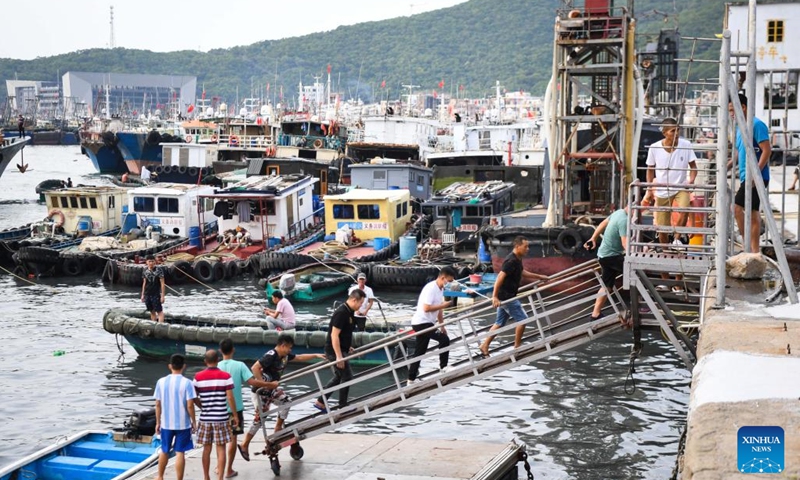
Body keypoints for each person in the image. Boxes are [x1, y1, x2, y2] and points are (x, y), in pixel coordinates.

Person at [237, 334, 325, 462]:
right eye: (289, 348)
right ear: (283, 345)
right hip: (261, 392)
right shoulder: (271, 355)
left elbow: (299, 357)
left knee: (286, 401)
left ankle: (278, 427)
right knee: (259, 419)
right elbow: (255, 368)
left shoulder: (284, 356)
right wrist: (264, 384)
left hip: (271, 390)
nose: (290, 350)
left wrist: (316, 355)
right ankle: (244, 444)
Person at [479, 237, 547, 357]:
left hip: (506, 296)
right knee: (523, 320)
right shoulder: (511, 261)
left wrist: (539, 276)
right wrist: (494, 297)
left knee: (499, 322)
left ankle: (485, 345)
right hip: (506, 297)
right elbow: (500, 277)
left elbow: (521, 272)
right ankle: (517, 347)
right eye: (525, 246)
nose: (528, 249)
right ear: (517, 246)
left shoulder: (517, 259)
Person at [217, 339, 273, 478]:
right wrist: (270, 384)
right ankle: (228, 469)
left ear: (220, 351)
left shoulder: (216, 366)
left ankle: (219, 467)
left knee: (220, 442)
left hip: (218, 409)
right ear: (233, 350)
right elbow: (252, 382)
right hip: (236, 409)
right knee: (233, 439)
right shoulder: (240, 365)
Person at [642, 117, 698, 246]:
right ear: (664, 133)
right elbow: (650, 169)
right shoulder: (654, 147)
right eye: (673, 131)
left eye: (678, 130)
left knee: (684, 209)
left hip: (680, 186)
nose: (677, 133)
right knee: (662, 228)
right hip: (662, 190)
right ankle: (665, 249)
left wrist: (691, 180)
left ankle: (677, 239)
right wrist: (650, 187)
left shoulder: (686, 145)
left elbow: (693, 167)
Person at [727, 93, 771, 253]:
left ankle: (749, 246)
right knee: (752, 212)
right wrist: (729, 165)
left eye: (733, 110)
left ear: (743, 107)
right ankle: (753, 249)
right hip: (747, 175)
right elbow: (741, 152)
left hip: (756, 176)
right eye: (730, 111)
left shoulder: (756, 125)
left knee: (737, 208)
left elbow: (767, 150)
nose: (731, 114)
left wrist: (756, 174)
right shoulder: (740, 127)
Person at [312, 289, 366, 412]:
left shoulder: (349, 312)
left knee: (339, 376)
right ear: (354, 300)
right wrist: (338, 356)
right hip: (334, 350)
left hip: (341, 349)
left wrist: (347, 346)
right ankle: (342, 406)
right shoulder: (341, 312)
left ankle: (321, 402)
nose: (361, 306)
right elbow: (334, 335)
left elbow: (344, 333)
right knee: (346, 377)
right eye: (360, 303)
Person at [406, 266, 457, 385]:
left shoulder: (440, 290)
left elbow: (439, 310)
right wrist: (443, 305)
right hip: (421, 322)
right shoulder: (431, 288)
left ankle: (411, 379)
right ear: (443, 277)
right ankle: (443, 366)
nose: (449, 284)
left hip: (428, 322)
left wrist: (442, 325)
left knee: (420, 351)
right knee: (444, 340)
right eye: (449, 281)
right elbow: (426, 308)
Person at [193, 350, 238, 480]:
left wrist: (202, 406)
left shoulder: (198, 377)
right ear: (218, 360)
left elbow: (193, 397)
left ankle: (206, 477)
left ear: (205, 361)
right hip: (221, 418)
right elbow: (230, 397)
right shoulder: (225, 376)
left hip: (205, 419)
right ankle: (220, 478)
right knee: (221, 448)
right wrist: (235, 415)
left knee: (206, 449)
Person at [153, 354, 196, 480]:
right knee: (180, 452)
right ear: (184, 366)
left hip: (166, 423)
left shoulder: (161, 382)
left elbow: (157, 404)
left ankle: (160, 476)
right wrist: (193, 421)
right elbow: (190, 405)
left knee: (164, 450)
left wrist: (157, 422)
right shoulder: (187, 383)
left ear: (169, 366)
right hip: (183, 424)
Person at [584, 207, 629, 322]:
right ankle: (641, 305)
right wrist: (636, 254)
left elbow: (603, 223)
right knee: (635, 273)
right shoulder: (624, 220)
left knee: (607, 286)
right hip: (611, 257)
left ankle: (595, 314)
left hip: (604, 255)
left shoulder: (618, 212)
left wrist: (593, 238)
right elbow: (625, 244)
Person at [141, 254, 166, 322]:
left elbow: (162, 284)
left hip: (155, 293)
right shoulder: (145, 270)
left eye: (152, 261)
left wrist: (162, 296)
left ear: (155, 262)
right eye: (149, 261)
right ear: (146, 262)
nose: (151, 263)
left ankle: (160, 327)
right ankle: (153, 324)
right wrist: (142, 295)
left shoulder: (159, 270)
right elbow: (144, 283)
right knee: (151, 311)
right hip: (147, 293)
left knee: (159, 311)